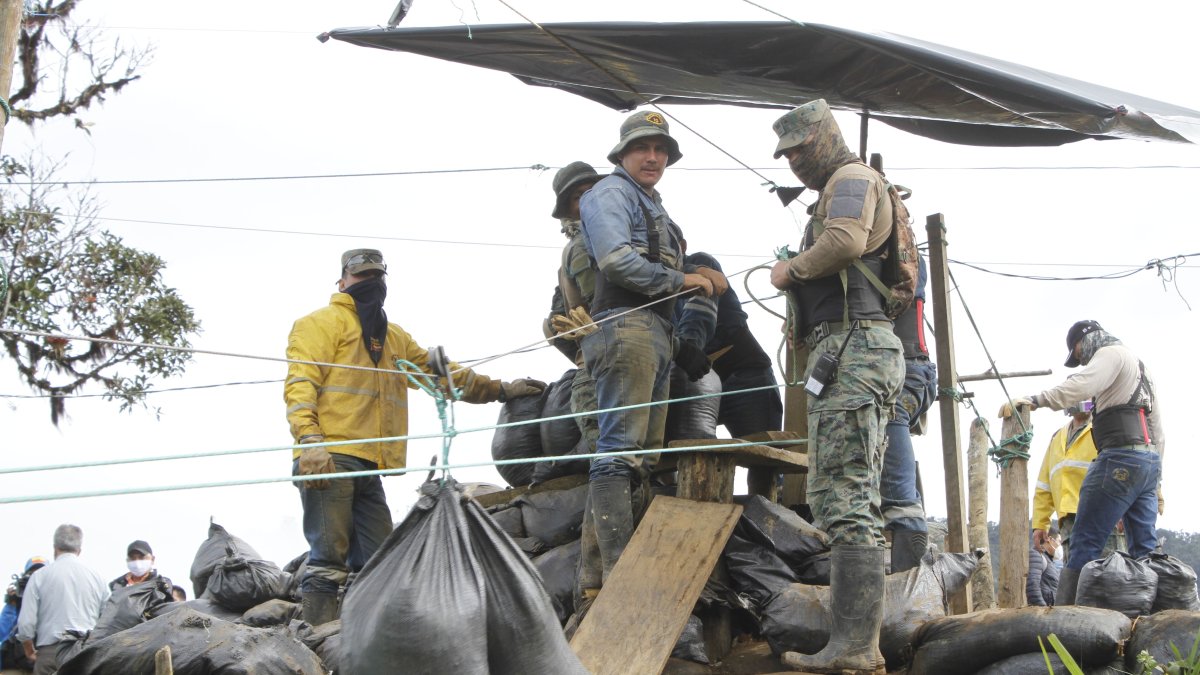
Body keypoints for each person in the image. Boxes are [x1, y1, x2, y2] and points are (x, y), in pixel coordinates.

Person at [285, 248, 545, 625]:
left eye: (377, 275)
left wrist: (500, 389)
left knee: (382, 562)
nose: (371, 282)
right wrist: (309, 440)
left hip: (369, 465)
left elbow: (441, 375)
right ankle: (315, 639)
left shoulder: (392, 338)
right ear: (341, 282)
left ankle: (366, 638)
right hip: (329, 458)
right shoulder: (319, 324)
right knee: (328, 559)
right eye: (361, 275)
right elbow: (300, 384)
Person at [769, 99, 905, 674]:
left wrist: (791, 270)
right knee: (842, 493)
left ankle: (854, 648)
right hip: (851, 348)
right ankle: (853, 644)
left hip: (854, 348)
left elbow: (846, 241)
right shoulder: (846, 182)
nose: (795, 162)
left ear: (825, 137)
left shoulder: (850, 178)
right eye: (787, 155)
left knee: (846, 498)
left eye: (801, 149)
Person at [577, 111, 719, 587]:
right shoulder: (611, 193)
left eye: (661, 150)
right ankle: (617, 574)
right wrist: (684, 279)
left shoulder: (650, 203)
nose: (653, 157)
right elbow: (617, 261)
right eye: (642, 148)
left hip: (654, 330)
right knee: (619, 451)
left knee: (639, 458)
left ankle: (605, 575)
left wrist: (692, 281)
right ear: (623, 155)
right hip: (626, 326)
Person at [1001, 320, 1164, 606]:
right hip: (1147, 462)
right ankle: (1154, 615)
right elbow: (1157, 430)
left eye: (1078, 353)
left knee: (1085, 541)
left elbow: (1082, 384)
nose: (1082, 360)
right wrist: (1156, 481)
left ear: (1084, 340)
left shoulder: (1110, 354)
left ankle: (1067, 617)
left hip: (1119, 458)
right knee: (1145, 550)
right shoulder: (1140, 368)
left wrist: (1035, 400)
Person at [678, 250, 782, 440]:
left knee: (763, 451)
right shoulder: (655, 280)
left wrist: (687, 349)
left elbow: (697, 321)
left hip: (745, 377)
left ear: (681, 246)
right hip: (699, 382)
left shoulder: (701, 263)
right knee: (691, 450)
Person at [882, 255, 937, 573]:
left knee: (890, 415)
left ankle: (906, 518)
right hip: (899, 367)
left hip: (908, 369)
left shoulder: (903, 255)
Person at [1031, 406, 1126, 563]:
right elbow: (1044, 486)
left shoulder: (1105, 428)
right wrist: (1040, 523)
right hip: (1069, 522)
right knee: (1076, 573)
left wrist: (1124, 509)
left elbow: (1123, 470)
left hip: (1103, 517)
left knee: (1109, 571)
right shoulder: (1057, 438)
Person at [16, 524, 109, 675]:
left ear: (55, 548)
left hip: (50, 655)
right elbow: (108, 621)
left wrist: (29, 651)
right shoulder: (98, 578)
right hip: (86, 654)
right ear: (79, 550)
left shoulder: (39, 577)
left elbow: (26, 623)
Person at [0, 556, 46, 670]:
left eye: (41, 574)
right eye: (32, 574)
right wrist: (11, 604)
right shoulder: (18, 601)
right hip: (15, 665)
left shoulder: (56, 601)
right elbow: (2, 633)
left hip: (44, 662)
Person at [110, 540, 174, 593]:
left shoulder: (161, 584)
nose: (137, 562)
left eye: (142, 558)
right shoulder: (115, 585)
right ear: (127, 561)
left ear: (152, 559)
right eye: (132, 558)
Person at [1026, 526, 1061, 606]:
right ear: (1050, 539)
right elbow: (1032, 587)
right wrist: (1043, 609)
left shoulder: (1049, 561)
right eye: (1059, 541)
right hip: (1042, 611)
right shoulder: (1036, 555)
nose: (1059, 545)